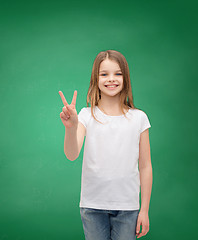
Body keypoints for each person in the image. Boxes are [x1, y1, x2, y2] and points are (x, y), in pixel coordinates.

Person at [59, 50, 152, 240]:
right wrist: (71, 127)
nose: (111, 79)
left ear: (125, 78)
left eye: (118, 73)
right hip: (92, 206)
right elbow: (72, 154)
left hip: (128, 207)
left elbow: (145, 166)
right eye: (104, 74)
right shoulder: (85, 115)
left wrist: (144, 210)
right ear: (96, 79)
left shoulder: (139, 118)